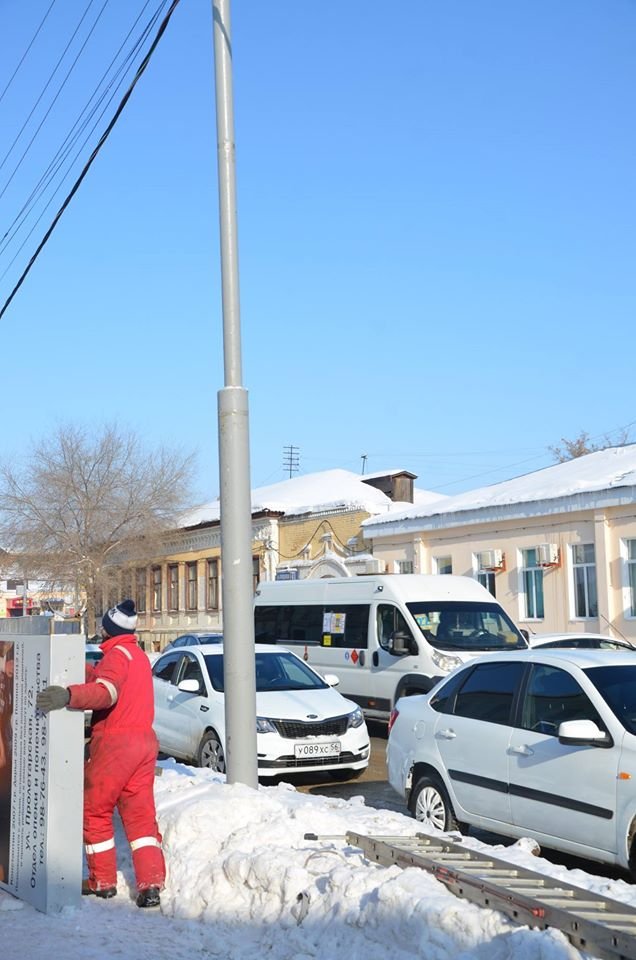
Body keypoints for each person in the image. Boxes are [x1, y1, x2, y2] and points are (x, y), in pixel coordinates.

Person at [36, 600, 166, 908]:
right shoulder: (136, 655)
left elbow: (106, 693)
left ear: (109, 628)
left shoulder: (116, 656)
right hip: (144, 743)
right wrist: (86, 672)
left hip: (116, 743)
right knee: (140, 816)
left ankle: (102, 881)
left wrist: (68, 695)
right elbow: (110, 681)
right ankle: (151, 884)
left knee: (95, 809)